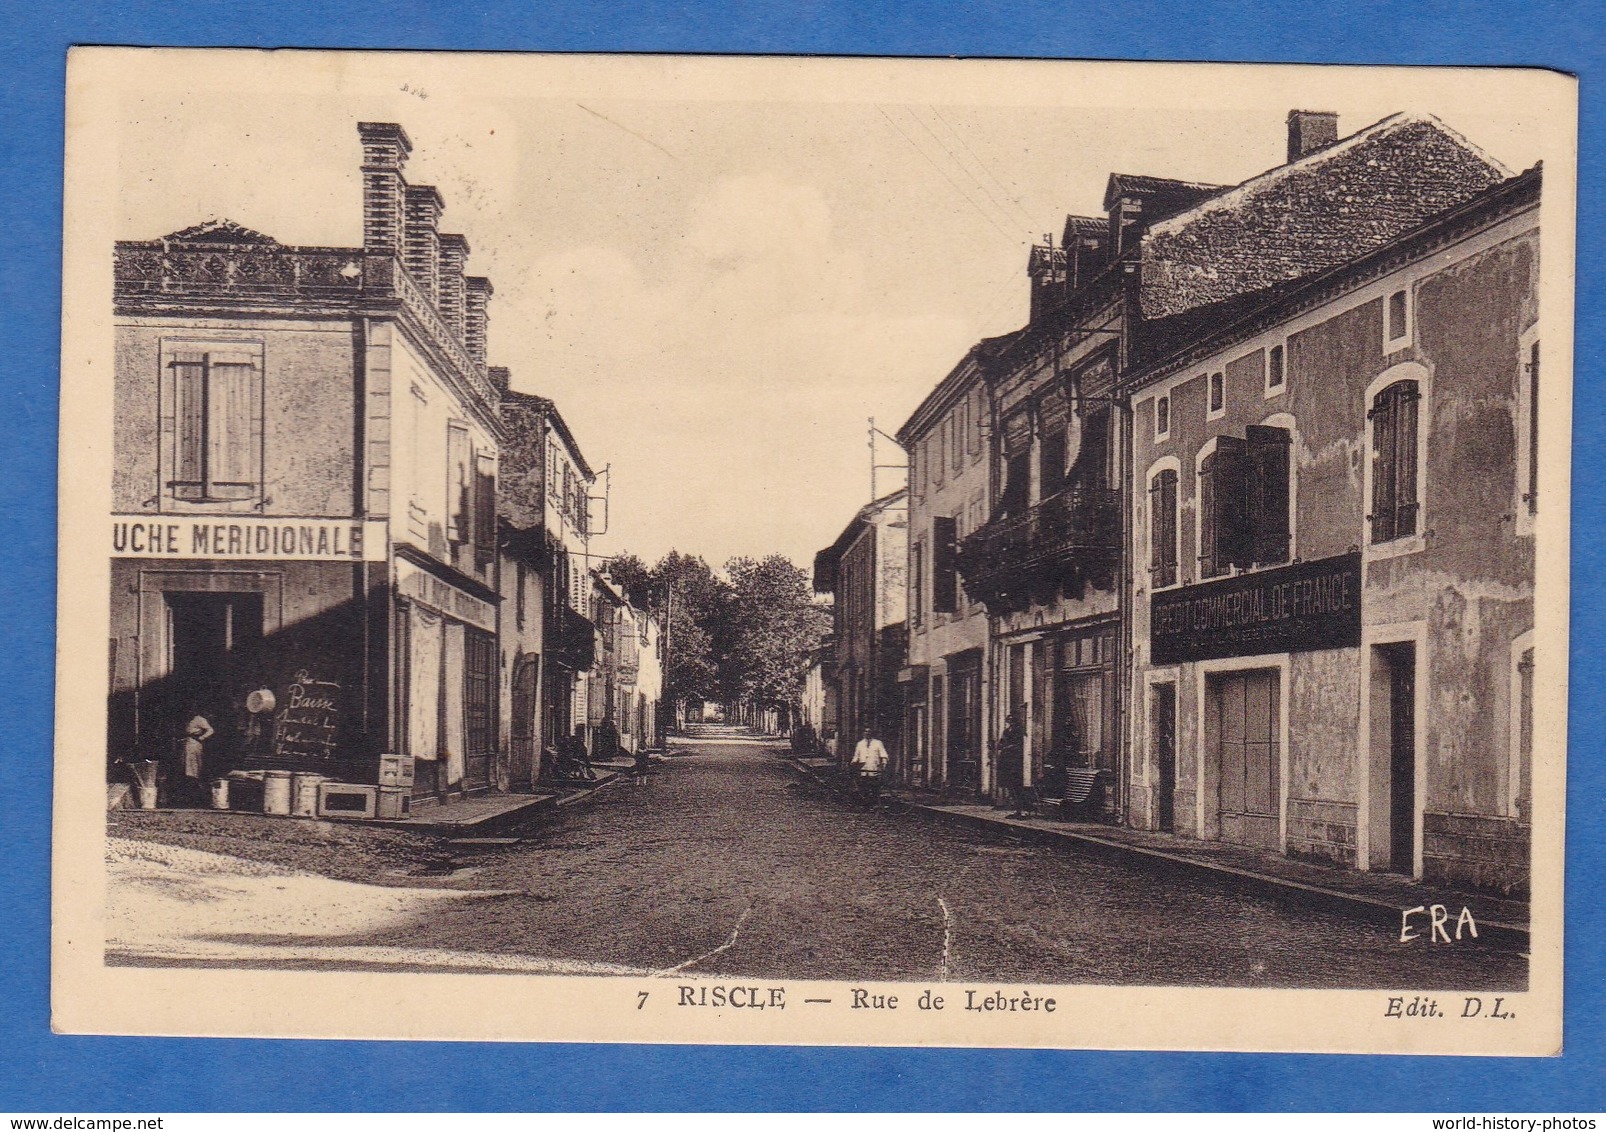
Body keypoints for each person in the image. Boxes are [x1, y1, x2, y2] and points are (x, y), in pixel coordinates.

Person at [179, 712, 215, 807]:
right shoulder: (189, 721)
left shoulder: (199, 719)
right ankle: (190, 796)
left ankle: (196, 797)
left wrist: (201, 738)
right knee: (187, 769)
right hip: (188, 743)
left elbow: (210, 730)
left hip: (194, 744)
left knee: (193, 770)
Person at [996, 713, 1028, 818]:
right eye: (1009, 720)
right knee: (1009, 784)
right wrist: (998, 746)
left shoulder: (1019, 731)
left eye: (1012, 720)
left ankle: (1020, 809)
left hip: (1015, 761)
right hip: (1005, 760)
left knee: (1017, 784)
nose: (1010, 722)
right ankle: (1016, 809)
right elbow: (1001, 743)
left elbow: (1019, 745)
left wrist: (1007, 747)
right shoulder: (1006, 731)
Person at [849, 727, 890, 806]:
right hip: (863, 768)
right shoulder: (860, 744)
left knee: (874, 787)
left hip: (874, 767)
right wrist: (853, 763)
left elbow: (883, 754)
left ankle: (875, 804)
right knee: (864, 787)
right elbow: (856, 756)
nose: (867, 733)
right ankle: (866, 805)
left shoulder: (878, 743)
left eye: (869, 731)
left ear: (872, 733)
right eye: (865, 731)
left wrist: (883, 764)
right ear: (863, 733)